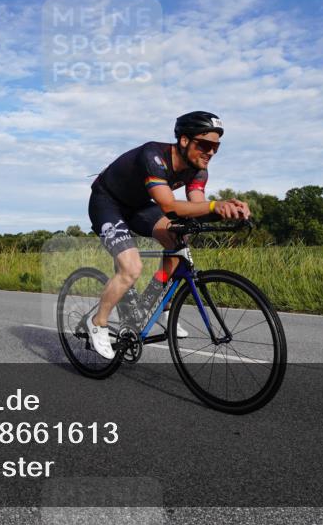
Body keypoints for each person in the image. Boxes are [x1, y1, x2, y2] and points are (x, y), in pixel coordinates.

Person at [86, 111, 251, 359]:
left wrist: (227, 210)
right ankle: (97, 322)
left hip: (139, 206)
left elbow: (198, 207)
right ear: (184, 140)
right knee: (131, 267)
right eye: (205, 145)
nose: (211, 152)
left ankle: (158, 303)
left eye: (216, 147)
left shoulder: (198, 169)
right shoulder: (153, 156)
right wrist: (214, 206)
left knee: (178, 242)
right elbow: (169, 206)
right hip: (107, 202)